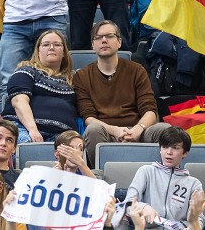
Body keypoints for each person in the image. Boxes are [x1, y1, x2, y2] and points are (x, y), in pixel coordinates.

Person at [73, 20, 170, 166]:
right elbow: (88, 117)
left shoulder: (136, 70)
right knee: (93, 130)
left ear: (119, 42)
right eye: (98, 37)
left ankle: (158, 177)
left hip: (139, 131)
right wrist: (115, 130)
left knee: (165, 130)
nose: (104, 40)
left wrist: (138, 129)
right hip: (105, 132)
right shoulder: (82, 76)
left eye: (109, 36)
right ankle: (99, 176)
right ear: (93, 45)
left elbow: (150, 110)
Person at [122, 126, 205, 230]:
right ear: (160, 149)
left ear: (185, 153)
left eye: (175, 148)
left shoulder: (194, 184)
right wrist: (144, 207)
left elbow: (199, 217)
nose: (169, 152)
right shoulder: (146, 172)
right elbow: (128, 204)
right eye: (165, 147)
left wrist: (192, 227)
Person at [2, 29, 78, 142]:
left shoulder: (74, 79)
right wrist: (33, 129)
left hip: (62, 134)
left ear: (64, 52)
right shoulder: (27, 70)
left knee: (70, 151)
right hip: (24, 127)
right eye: (46, 44)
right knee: (26, 143)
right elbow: (19, 101)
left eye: (57, 44)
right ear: (37, 51)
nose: (51, 47)